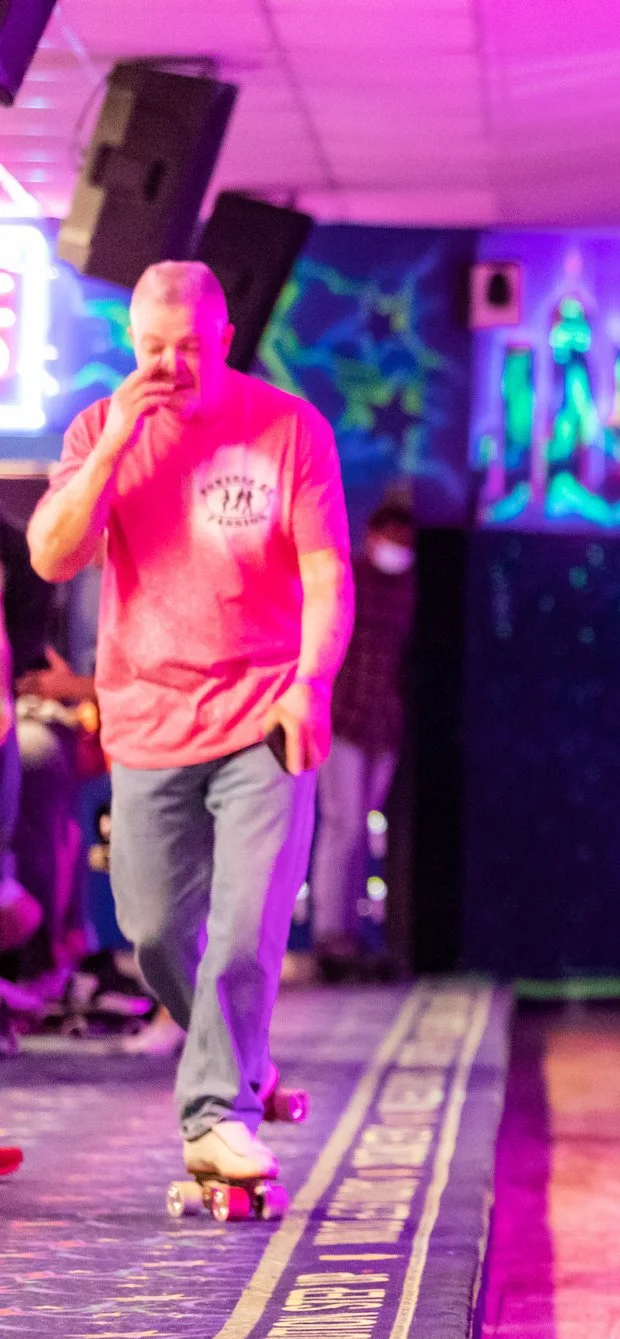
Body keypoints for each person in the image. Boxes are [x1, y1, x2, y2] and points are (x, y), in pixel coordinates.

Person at [26, 260, 351, 1193]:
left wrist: (311, 683)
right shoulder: (102, 427)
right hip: (144, 721)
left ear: (225, 339)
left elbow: (328, 573)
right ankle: (243, 1060)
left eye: (191, 349)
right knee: (160, 936)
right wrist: (121, 432)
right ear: (133, 345)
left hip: (263, 714)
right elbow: (55, 555)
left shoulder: (288, 429)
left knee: (247, 929)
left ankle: (219, 1114)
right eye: (154, 350)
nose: (173, 366)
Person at [311, 497, 418, 980]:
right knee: (344, 826)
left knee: (361, 832)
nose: (398, 548)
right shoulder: (347, 578)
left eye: (405, 541)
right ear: (371, 537)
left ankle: (350, 933)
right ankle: (329, 933)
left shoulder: (409, 589)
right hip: (342, 718)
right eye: (390, 538)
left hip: (382, 723)